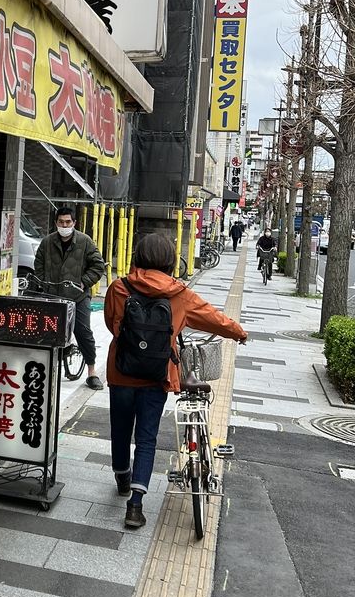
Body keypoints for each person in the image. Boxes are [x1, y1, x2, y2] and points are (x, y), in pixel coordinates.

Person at [105, 232, 247, 531]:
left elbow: (111, 323)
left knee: (120, 428)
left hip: (121, 373)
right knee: (146, 438)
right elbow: (212, 317)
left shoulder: (119, 288)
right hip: (157, 377)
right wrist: (238, 333)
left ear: (138, 256)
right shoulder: (179, 294)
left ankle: (122, 477)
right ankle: (135, 505)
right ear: (171, 260)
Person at [33, 204, 106, 390]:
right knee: (48, 332)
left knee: (83, 331)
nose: (64, 225)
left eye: (67, 222)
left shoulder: (85, 241)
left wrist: (83, 282)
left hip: (78, 296)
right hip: (53, 295)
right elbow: (38, 264)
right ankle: (49, 368)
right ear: (55, 222)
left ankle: (92, 372)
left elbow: (98, 266)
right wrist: (42, 282)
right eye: (60, 222)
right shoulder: (47, 242)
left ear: (74, 222)